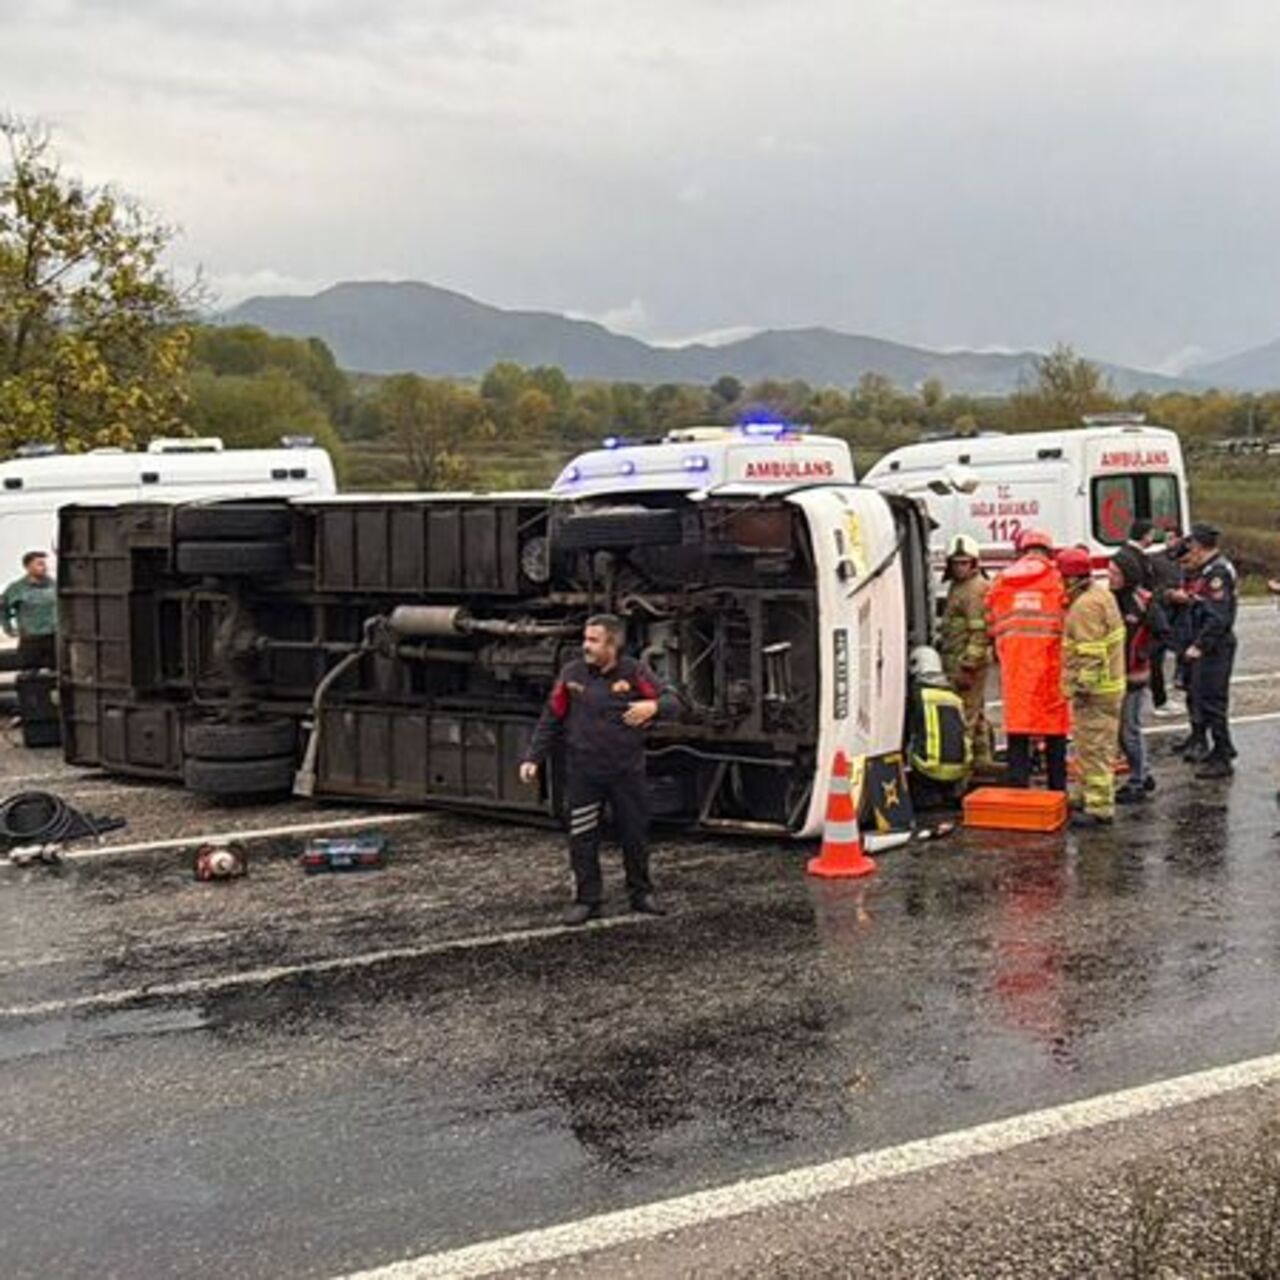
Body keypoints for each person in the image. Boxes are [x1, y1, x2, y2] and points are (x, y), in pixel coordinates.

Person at [520, 614, 680, 925]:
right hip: (583, 773)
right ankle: (587, 899)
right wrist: (532, 758)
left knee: (634, 835)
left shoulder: (635, 672)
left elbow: (674, 701)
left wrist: (654, 707)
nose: (585, 646)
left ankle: (641, 893)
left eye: (593, 640)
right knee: (582, 837)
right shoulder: (572, 674)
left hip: (626, 772)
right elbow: (551, 717)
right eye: (585, 639)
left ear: (612, 644)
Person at [986, 528, 1070, 792]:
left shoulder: (1001, 580)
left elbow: (990, 620)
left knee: (1018, 729)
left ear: (1021, 550)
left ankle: (1018, 789)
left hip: (1016, 668)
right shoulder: (1058, 580)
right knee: (1054, 730)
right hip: (1051, 665)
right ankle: (1057, 789)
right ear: (1048, 550)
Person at [1059, 546, 1126, 827]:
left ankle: (1099, 807)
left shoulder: (1085, 607)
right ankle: (1088, 794)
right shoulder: (1101, 595)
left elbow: (1091, 653)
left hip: (1095, 691)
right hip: (1108, 686)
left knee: (1095, 748)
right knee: (1090, 746)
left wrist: (1079, 688)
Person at [1177, 524, 1239, 779]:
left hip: (1215, 646)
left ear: (1200, 546)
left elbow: (1218, 618)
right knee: (1204, 697)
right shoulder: (1206, 570)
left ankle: (1223, 755)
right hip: (1210, 643)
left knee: (1213, 701)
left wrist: (1198, 646)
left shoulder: (1217, 573)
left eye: (1191, 545)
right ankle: (1219, 748)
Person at [1109, 553, 1169, 803]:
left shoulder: (1142, 601)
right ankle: (1142, 773)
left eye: (1115, 574)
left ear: (1127, 575)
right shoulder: (1109, 599)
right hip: (1115, 674)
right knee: (1121, 732)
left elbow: (1163, 632)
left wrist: (1144, 652)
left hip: (1134, 675)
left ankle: (1138, 780)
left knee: (1129, 730)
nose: (1110, 578)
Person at [938, 534, 992, 768]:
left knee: (963, 720)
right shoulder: (958, 587)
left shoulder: (975, 590)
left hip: (968, 666)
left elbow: (980, 633)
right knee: (975, 713)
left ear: (974, 563)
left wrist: (968, 666)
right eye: (956, 563)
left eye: (964, 562)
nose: (960, 567)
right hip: (956, 661)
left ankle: (962, 774)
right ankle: (982, 761)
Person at [907, 645, 972, 803]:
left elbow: (910, 729)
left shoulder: (917, 694)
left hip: (929, 770)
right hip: (959, 770)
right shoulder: (953, 696)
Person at [1148, 530, 1186, 717]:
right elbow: (1150, 589)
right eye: (1167, 538)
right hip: (1162, 613)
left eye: (1173, 538)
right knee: (1156, 657)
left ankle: (1181, 683)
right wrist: (1169, 594)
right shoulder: (1155, 560)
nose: (1169, 542)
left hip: (1183, 615)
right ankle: (1159, 698)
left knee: (1185, 651)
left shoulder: (1188, 559)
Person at [2, 550, 57, 672]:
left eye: (45, 564)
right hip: (31, 639)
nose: (44, 567)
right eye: (39, 564)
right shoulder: (17, 588)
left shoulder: (54, 585)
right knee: (30, 676)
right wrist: (8, 629)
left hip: (53, 637)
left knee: (57, 673)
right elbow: (3, 608)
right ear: (28, 567)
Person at [1111, 518, 1156, 593]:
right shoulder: (1134, 558)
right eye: (1152, 535)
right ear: (1145, 536)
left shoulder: (1122, 553)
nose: (1153, 539)